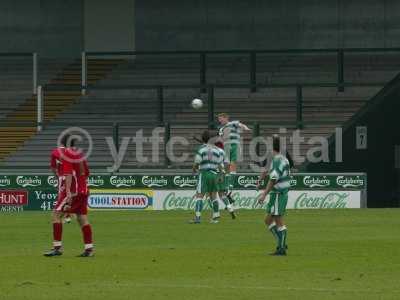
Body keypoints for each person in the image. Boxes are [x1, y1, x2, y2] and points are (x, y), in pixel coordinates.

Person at [44, 134, 94, 257]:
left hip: (73, 191)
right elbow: (87, 173)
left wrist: (67, 192)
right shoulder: (79, 154)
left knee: (56, 215)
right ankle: (89, 249)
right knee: (82, 218)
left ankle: (57, 248)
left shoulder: (66, 155)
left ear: (62, 143)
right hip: (84, 190)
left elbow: (68, 175)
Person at [257, 135, 291, 256]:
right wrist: (260, 179)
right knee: (268, 220)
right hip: (278, 193)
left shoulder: (277, 160)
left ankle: (281, 249)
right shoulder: (282, 158)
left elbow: (273, 179)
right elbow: (269, 170)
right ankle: (281, 242)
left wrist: (263, 194)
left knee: (278, 220)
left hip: (278, 193)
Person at [190, 130, 225, 224]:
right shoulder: (218, 151)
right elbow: (220, 165)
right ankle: (215, 217)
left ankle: (197, 217)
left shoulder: (201, 149)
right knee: (214, 196)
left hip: (204, 173)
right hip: (214, 174)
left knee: (199, 195)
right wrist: (221, 175)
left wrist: (194, 169)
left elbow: (197, 161)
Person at [217, 113, 250, 193]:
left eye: (221, 119)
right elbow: (221, 140)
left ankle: (231, 184)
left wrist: (246, 128)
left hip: (235, 145)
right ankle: (227, 184)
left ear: (226, 118)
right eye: (219, 119)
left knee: (233, 163)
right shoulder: (221, 129)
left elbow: (241, 125)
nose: (219, 121)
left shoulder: (232, 123)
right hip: (226, 147)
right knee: (227, 166)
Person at [50, 145, 72, 224]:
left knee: (61, 196)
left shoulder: (55, 152)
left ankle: (61, 216)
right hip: (71, 176)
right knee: (69, 195)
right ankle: (67, 215)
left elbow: (53, 167)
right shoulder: (71, 152)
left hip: (62, 176)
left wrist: (57, 176)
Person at [215, 141, 236, 219]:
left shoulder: (213, 152)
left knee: (212, 195)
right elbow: (227, 165)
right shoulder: (223, 153)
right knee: (222, 195)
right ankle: (230, 208)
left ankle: (215, 214)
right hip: (222, 174)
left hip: (214, 173)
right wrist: (226, 176)